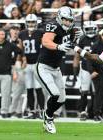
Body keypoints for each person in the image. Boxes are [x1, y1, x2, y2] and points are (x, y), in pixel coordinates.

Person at [35, 6, 79, 134]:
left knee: (61, 99)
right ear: (59, 17)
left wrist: (75, 39)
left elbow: (70, 45)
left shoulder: (70, 30)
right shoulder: (53, 26)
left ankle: (47, 114)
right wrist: (58, 46)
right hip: (43, 67)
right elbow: (46, 41)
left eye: (70, 20)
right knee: (54, 94)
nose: (67, 23)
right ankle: (48, 118)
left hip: (56, 68)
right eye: (65, 20)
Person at [19, 14, 45, 119]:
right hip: (27, 64)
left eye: (33, 22)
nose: (31, 24)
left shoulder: (40, 33)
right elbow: (21, 48)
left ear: (36, 23)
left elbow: (44, 48)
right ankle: (32, 111)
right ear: (26, 23)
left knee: (38, 88)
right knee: (29, 88)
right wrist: (23, 58)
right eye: (29, 22)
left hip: (37, 64)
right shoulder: (22, 34)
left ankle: (42, 111)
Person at [73, 21, 98, 121]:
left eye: (92, 29)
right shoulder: (82, 39)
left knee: (96, 92)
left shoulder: (98, 39)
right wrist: (75, 70)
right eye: (88, 29)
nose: (91, 31)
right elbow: (77, 56)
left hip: (97, 69)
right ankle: (82, 111)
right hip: (85, 68)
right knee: (84, 91)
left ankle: (94, 112)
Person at [0, 28, 22, 118]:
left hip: (6, 73)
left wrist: (14, 60)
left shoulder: (10, 45)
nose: (1, 36)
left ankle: (4, 111)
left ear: (5, 35)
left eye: (2, 34)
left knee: (5, 94)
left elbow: (20, 51)